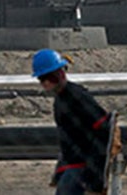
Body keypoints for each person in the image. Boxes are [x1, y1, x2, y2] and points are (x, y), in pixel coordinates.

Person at [33, 48, 114, 195]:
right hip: (73, 164)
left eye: (51, 78)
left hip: (83, 166)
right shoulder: (61, 99)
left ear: (62, 73)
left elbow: (104, 130)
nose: (46, 83)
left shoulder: (77, 97)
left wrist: (94, 170)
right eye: (42, 79)